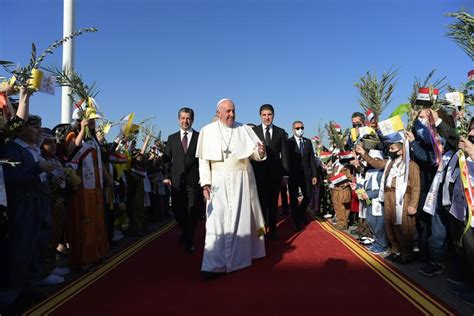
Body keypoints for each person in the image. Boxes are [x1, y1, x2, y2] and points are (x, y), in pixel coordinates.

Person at [196, 99, 266, 276]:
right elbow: (203, 161)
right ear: (218, 113)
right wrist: (205, 182)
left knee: (239, 220)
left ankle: (239, 260)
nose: (231, 115)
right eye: (227, 111)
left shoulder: (244, 129)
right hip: (217, 181)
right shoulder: (207, 131)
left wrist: (261, 152)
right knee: (215, 223)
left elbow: (256, 155)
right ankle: (212, 265)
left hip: (241, 180)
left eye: (233, 111)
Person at [356, 134, 421, 263]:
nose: (390, 152)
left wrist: (413, 204)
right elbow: (375, 163)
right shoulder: (389, 163)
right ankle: (395, 251)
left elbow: (416, 186)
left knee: (403, 228)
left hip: (403, 199)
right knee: (390, 226)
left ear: (401, 150)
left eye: (392, 149)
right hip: (388, 196)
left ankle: (407, 254)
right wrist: (363, 153)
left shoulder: (411, 165)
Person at [163, 107, 201, 253]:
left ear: (192, 120)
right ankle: (186, 232)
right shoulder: (171, 138)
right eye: (183, 118)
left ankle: (189, 241)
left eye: (188, 118)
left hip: (194, 180)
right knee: (178, 211)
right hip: (177, 181)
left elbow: (202, 158)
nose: (185, 121)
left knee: (192, 211)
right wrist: (167, 176)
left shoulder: (199, 136)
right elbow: (167, 160)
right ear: (178, 119)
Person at [251, 104, 289, 240]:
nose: (267, 117)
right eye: (264, 115)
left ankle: (273, 230)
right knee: (260, 204)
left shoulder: (280, 132)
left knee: (273, 204)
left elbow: (284, 155)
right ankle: (261, 231)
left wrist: (285, 175)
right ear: (260, 116)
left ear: (273, 115)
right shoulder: (253, 131)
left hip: (275, 175)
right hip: (258, 174)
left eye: (269, 114)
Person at [287, 121, 319, 231]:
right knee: (294, 198)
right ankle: (296, 221)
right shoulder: (288, 142)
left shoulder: (308, 142)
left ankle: (300, 214)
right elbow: (286, 160)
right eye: (297, 128)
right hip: (293, 175)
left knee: (308, 195)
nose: (300, 130)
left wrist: (315, 174)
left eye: (302, 127)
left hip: (307, 174)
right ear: (293, 129)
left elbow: (311, 160)